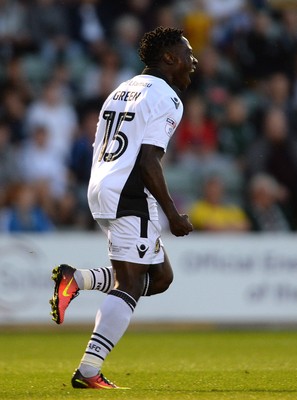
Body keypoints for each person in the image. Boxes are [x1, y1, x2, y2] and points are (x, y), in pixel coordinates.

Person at [50, 26, 197, 389]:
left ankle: (78, 278)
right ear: (168, 58)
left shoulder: (121, 88)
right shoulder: (168, 97)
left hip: (102, 185)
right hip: (130, 192)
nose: (193, 60)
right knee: (131, 283)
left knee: (160, 277)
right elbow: (148, 161)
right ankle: (88, 372)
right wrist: (173, 214)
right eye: (187, 52)